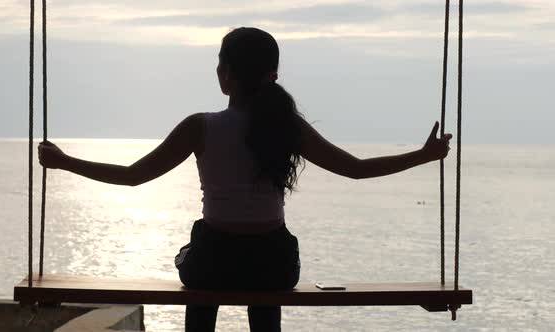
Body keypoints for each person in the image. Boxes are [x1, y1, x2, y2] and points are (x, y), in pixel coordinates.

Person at [38, 27, 452, 332]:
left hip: (213, 263)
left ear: (227, 74)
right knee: (263, 269)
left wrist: (64, 162)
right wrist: (424, 156)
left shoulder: (199, 127)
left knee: (200, 259)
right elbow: (356, 169)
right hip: (273, 265)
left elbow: (132, 177)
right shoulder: (287, 126)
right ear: (273, 74)